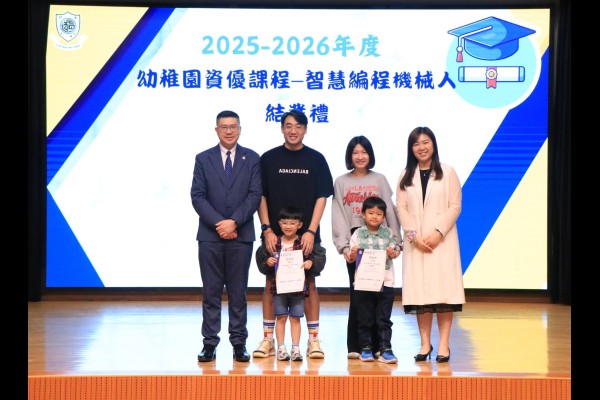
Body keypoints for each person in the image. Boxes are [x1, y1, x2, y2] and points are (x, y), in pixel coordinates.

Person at [252, 109, 334, 359]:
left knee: (309, 284)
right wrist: (266, 228)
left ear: (305, 129)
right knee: (271, 283)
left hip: (306, 235)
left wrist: (311, 230)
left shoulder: (316, 159)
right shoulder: (268, 159)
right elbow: (261, 196)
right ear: (281, 129)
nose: (293, 130)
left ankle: (313, 340)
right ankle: (268, 339)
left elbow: (322, 197)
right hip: (274, 234)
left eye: (298, 126)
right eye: (288, 125)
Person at [190, 110, 262, 363]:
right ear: (216, 130)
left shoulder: (252, 158)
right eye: (224, 127)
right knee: (211, 292)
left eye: (233, 127)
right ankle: (209, 343)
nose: (229, 131)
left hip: (241, 236)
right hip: (210, 237)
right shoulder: (203, 158)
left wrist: (235, 222)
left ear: (240, 129)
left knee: (238, 293)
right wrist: (220, 224)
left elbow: (254, 195)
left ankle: (239, 343)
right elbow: (197, 196)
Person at [395, 126, 465, 363]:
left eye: (425, 142)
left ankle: (444, 345)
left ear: (433, 144)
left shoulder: (448, 172)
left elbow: (455, 206)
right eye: (416, 144)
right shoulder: (405, 175)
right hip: (416, 244)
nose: (421, 147)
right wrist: (413, 235)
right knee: (421, 297)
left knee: (444, 296)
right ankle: (425, 344)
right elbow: (401, 207)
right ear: (411, 149)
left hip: (441, 243)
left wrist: (438, 233)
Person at [331, 135, 402, 360]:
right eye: (355, 152)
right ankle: (359, 345)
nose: (360, 156)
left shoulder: (379, 179)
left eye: (364, 152)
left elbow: (390, 211)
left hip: (381, 241)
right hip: (357, 242)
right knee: (359, 294)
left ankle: (381, 346)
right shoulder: (341, 181)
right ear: (349, 156)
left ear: (370, 155)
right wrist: (344, 247)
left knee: (380, 295)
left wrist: (397, 241)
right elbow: (339, 214)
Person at [346, 196, 402, 363]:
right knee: (365, 318)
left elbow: (395, 253)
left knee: (384, 319)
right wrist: (353, 254)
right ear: (363, 214)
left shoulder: (388, 233)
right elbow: (351, 258)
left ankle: (385, 349)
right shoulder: (357, 234)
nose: (374, 217)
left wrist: (393, 253)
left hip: (386, 282)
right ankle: (365, 348)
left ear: (384, 217)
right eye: (371, 213)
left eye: (379, 214)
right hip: (364, 283)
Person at [257, 206, 314, 362]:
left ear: (299, 225)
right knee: (281, 318)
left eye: (292, 223)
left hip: (298, 290)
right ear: (279, 224)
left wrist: (309, 262)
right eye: (285, 223)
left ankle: (295, 348)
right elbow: (266, 260)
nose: (288, 226)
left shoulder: (302, 242)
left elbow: (311, 258)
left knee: (296, 318)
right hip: (279, 289)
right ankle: (281, 348)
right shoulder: (275, 243)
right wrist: (268, 261)